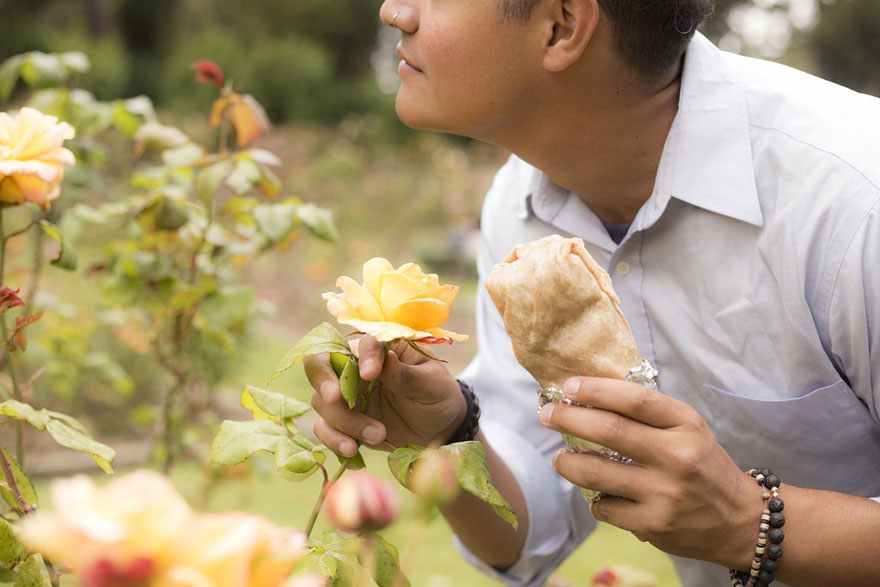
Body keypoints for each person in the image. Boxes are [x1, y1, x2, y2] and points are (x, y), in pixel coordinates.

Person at [304, 0, 880, 585]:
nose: (395, 11)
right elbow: (528, 534)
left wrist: (747, 522)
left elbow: (738, 522)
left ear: (561, 26)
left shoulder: (857, 199)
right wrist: (447, 436)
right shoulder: (519, 208)